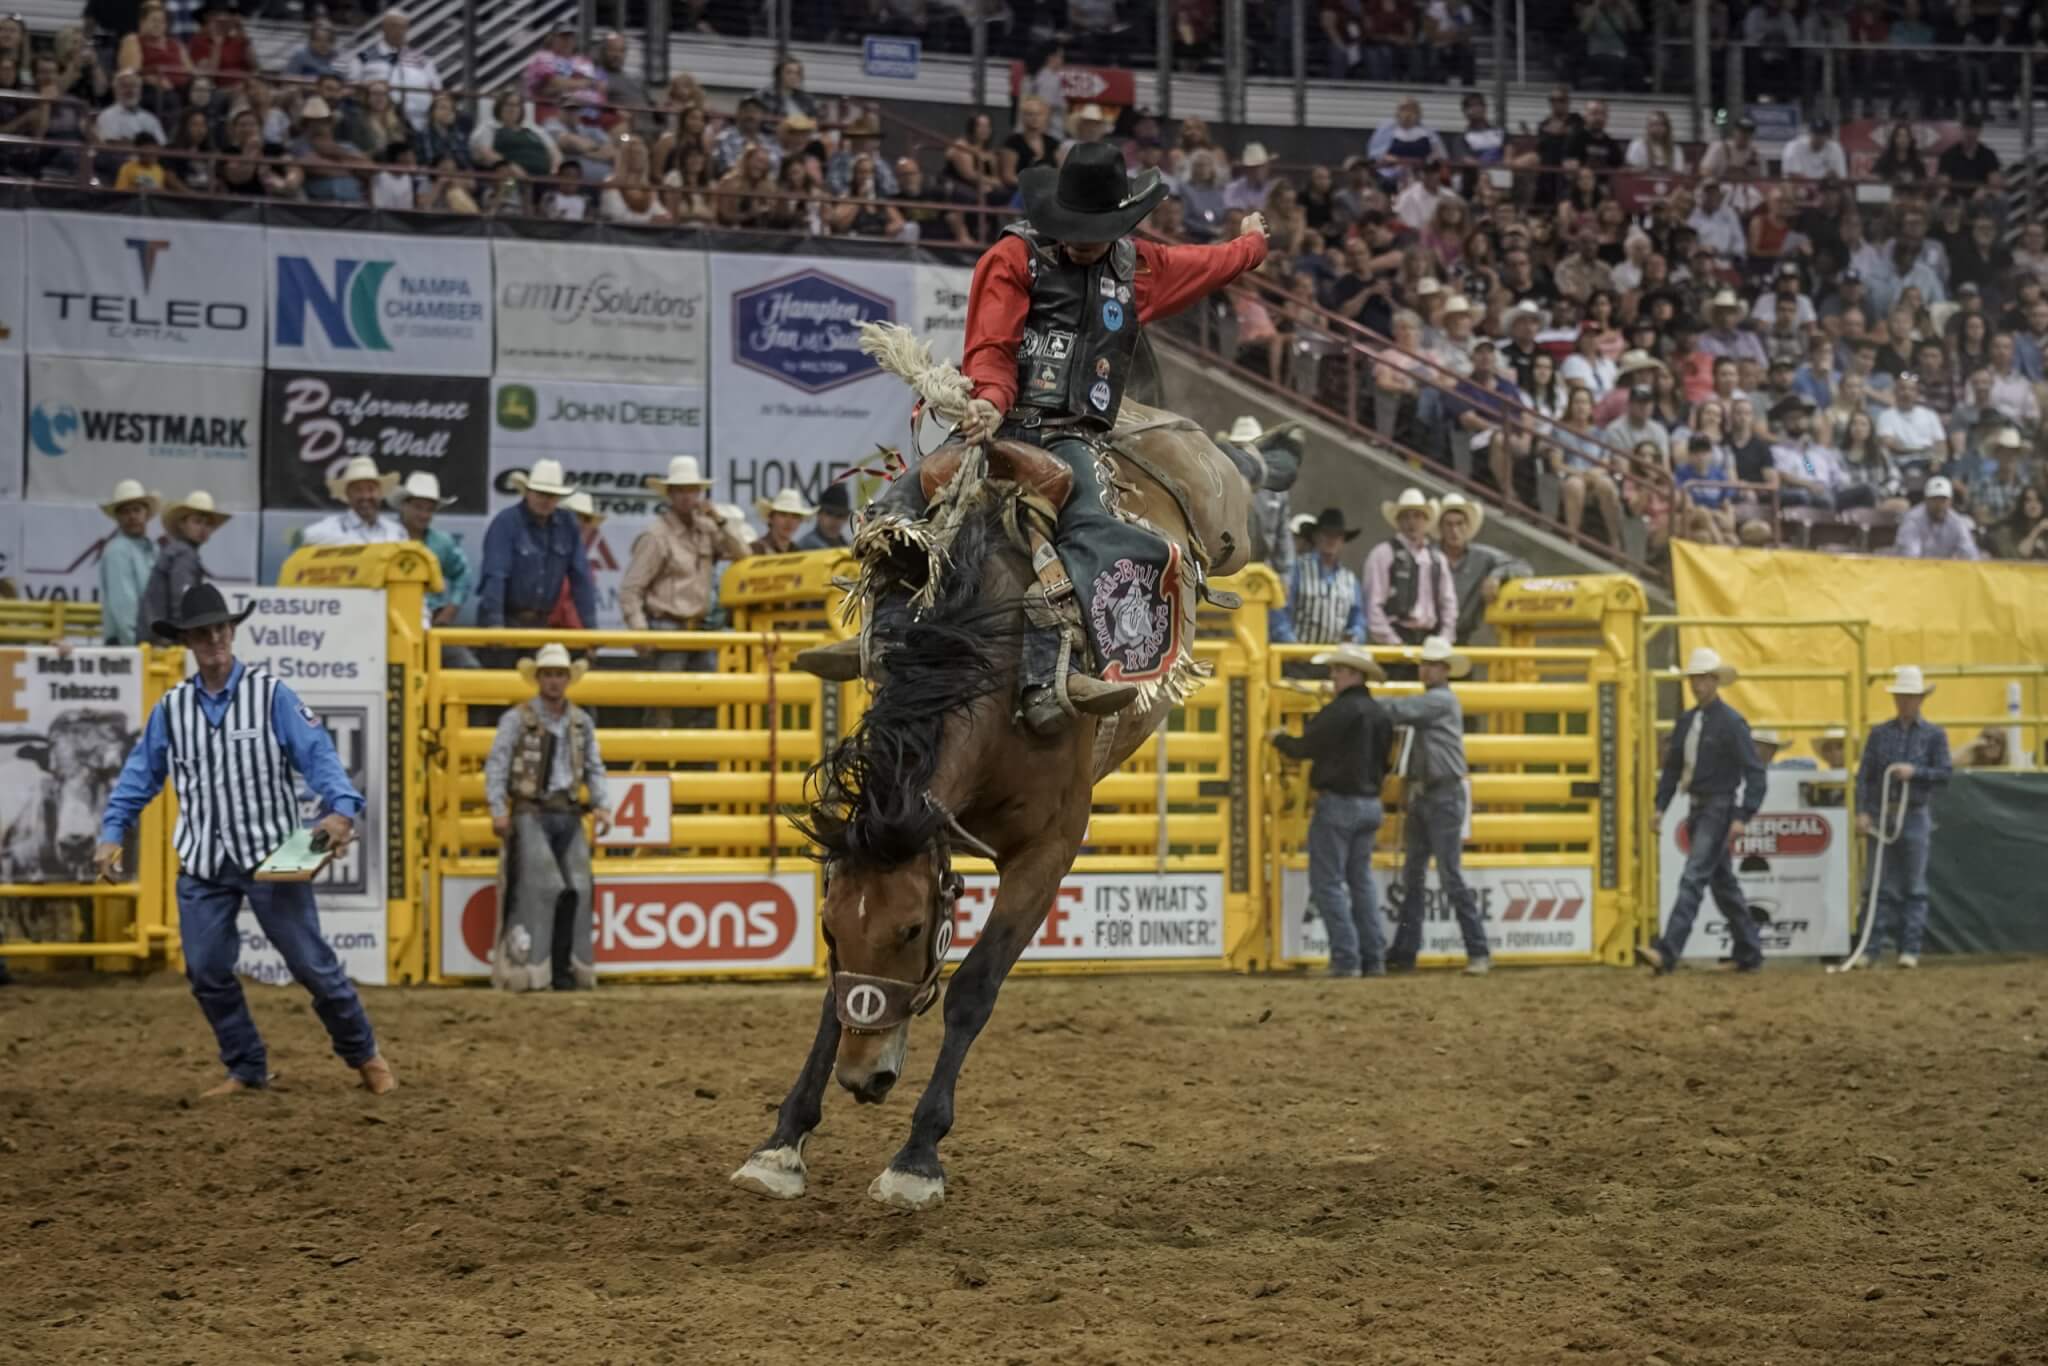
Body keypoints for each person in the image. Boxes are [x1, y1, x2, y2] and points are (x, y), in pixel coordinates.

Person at [796, 142, 1269, 738]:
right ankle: (883, 634)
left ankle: (1058, 673)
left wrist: (1252, 244)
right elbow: (992, 346)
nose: (1080, 241)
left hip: (1076, 437)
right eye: (1073, 229)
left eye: (1093, 231)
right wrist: (991, 403)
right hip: (1008, 423)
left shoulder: (1136, 268)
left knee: (1098, 529)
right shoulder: (1014, 257)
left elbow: (1211, 264)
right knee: (901, 503)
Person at [92, 583, 396, 1097]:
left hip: (274, 856)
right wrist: (110, 830)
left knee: (312, 966)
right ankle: (247, 1065)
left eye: (221, 628)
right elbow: (140, 775)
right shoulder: (172, 708)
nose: (214, 638)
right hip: (204, 863)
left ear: (232, 632)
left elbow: (317, 755)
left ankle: (364, 1053)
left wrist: (341, 809)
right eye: (204, 632)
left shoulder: (271, 695)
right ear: (188, 640)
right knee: (206, 970)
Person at [483, 643, 611, 992]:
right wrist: (498, 809)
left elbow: (593, 767)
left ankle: (560, 968)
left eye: (559, 675)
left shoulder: (580, 722)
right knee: (543, 887)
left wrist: (601, 803)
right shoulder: (517, 719)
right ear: (539, 678)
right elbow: (497, 765)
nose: (554, 681)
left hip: (566, 810)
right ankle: (531, 968)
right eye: (549, 675)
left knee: (577, 888)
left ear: (567, 679)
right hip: (531, 810)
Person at [1638, 648, 1766, 975]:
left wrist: (1742, 814)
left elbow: (1755, 773)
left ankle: (1668, 952)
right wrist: (1660, 806)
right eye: (1695, 679)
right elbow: (1672, 768)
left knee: (1694, 876)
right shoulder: (1691, 721)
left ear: (1714, 681)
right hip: (1702, 808)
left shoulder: (1730, 723)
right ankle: (1749, 950)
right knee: (1721, 883)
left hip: (1717, 807)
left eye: (1703, 679)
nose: (1698, 685)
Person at [1270, 646, 1394, 977]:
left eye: (1338, 671)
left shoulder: (1339, 711)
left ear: (1353, 674)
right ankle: (1373, 958)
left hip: (1339, 803)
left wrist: (1280, 739)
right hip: (1370, 804)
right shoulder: (1379, 714)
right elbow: (1387, 762)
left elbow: (1306, 746)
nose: (1333, 676)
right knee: (1361, 882)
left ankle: (1345, 958)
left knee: (1328, 882)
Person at [1381, 636, 1490, 975]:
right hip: (1427, 793)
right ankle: (1406, 951)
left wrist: (1362, 703)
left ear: (1444, 670)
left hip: (1440, 795)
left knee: (1446, 875)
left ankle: (1478, 950)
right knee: (1416, 875)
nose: (1425, 670)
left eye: (1431, 665)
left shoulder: (1439, 702)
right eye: (1424, 664)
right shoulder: (1436, 701)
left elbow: (1400, 710)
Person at [619, 456, 751, 726]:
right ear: (670, 494)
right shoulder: (656, 536)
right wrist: (640, 631)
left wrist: (721, 520)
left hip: (700, 631)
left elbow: (743, 554)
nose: (687, 497)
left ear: (699, 493)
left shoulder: (707, 528)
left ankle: (699, 765)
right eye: (681, 490)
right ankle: (656, 765)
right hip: (666, 631)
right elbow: (631, 589)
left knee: (712, 703)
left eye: (692, 490)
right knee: (663, 708)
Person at [1852, 665, 1951, 970]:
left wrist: (1915, 773)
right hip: (1883, 813)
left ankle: (1909, 949)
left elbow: (1944, 774)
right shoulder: (1879, 734)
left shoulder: (1934, 735)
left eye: (1910, 697)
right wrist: (1863, 812)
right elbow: (1865, 776)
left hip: (1914, 814)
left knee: (1913, 886)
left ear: (1920, 699)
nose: (1905, 702)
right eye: (1901, 697)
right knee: (1877, 884)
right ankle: (1871, 948)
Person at [476, 460, 597, 661]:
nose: (545, 500)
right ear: (528, 492)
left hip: (541, 624)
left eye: (551, 495)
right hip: (508, 619)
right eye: (540, 493)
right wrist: (495, 626)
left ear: (558, 498)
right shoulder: (506, 522)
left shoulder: (567, 525)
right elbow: (495, 576)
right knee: (501, 686)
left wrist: (591, 629)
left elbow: (581, 579)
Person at [1362, 488, 1457, 649]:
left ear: (1426, 521)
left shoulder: (1437, 559)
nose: (1412, 522)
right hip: (1396, 635)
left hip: (1430, 638)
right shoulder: (1383, 554)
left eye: (1417, 516)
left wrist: (1444, 638)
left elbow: (1448, 602)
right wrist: (1393, 641)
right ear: (1398, 521)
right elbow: (1372, 604)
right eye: (1406, 516)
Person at [134, 490, 228, 650]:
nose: (203, 528)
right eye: (197, 522)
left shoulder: (176, 551)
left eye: (208, 523)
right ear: (182, 524)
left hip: (156, 637)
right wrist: (186, 636)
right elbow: (182, 601)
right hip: (164, 642)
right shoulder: (183, 554)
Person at [1434, 493, 1529, 646]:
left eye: (1460, 524)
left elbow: (1522, 566)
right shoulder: (1427, 556)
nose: (1454, 530)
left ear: (1467, 527)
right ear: (1441, 528)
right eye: (1449, 524)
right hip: (1426, 634)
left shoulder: (1482, 557)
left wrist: (1495, 576)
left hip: (1461, 637)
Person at [393, 471, 470, 657]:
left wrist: (451, 609)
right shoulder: (387, 537)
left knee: (468, 666)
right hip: (392, 623)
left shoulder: (442, 542)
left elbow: (463, 573)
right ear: (404, 506)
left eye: (429, 509)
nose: (424, 514)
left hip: (434, 621)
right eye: (419, 508)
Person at [1271, 507, 1365, 647]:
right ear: (1316, 536)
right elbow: (1279, 610)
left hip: (1334, 662)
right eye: (1326, 533)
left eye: (1336, 535)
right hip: (1297, 660)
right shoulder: (1297, 570)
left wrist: (1355, 636)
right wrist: (1291, 644)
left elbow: (1358, 619)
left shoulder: (1350, 580)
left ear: (1342, 540)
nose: (1331, 540)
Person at [97, 479, 161, 648]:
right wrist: (136, 647)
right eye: (125, 512)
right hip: (128, 644)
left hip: (146, 641)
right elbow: (124, 606)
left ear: (146, 513)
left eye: (137, 510)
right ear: (117, 517)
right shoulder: (117, 550)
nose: (132, 516)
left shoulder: (153, 549)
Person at [300, 456, 411, 546]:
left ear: (380, 493)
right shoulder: (333, 526)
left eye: (371, 489)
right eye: (358, 490)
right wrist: (355, 545)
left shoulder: (397, 531)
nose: (365, 496)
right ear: (348, 495)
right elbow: (304, 537)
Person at [1895, 475, 1981, 560]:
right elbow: (1909, 557)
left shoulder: (1956, 522)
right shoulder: (1913, 520)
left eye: (1943, 499)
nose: (1939, 504)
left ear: (1950, 501)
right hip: (1916, 570)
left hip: (1944, 570)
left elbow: (1970, 555)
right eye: (1934, 499)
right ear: (1926, 499)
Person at [751, 489, 812, 555]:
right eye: (783, 514)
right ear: (770, 518)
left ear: (800, 521)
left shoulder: (798, 552)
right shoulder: (756, 549)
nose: (789, 522)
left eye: (795, 516)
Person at [796, 482, 854, 550]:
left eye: (840, 515)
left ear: (846, 518)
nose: (834, 520)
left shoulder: (848, 547)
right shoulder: (804, 547)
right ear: (818, 514)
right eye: (830, 513)